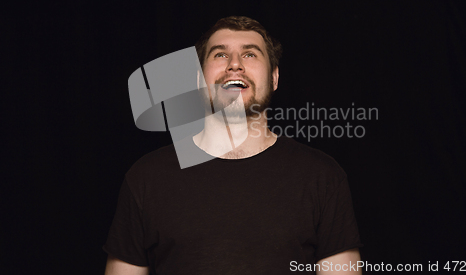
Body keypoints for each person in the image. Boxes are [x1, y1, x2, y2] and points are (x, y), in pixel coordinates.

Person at [103, 16, 363, 274]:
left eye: (250, 55)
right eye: (219, 55)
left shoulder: (322, 177)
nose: (234, 65)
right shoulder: (146, 178)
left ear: (274, 77)